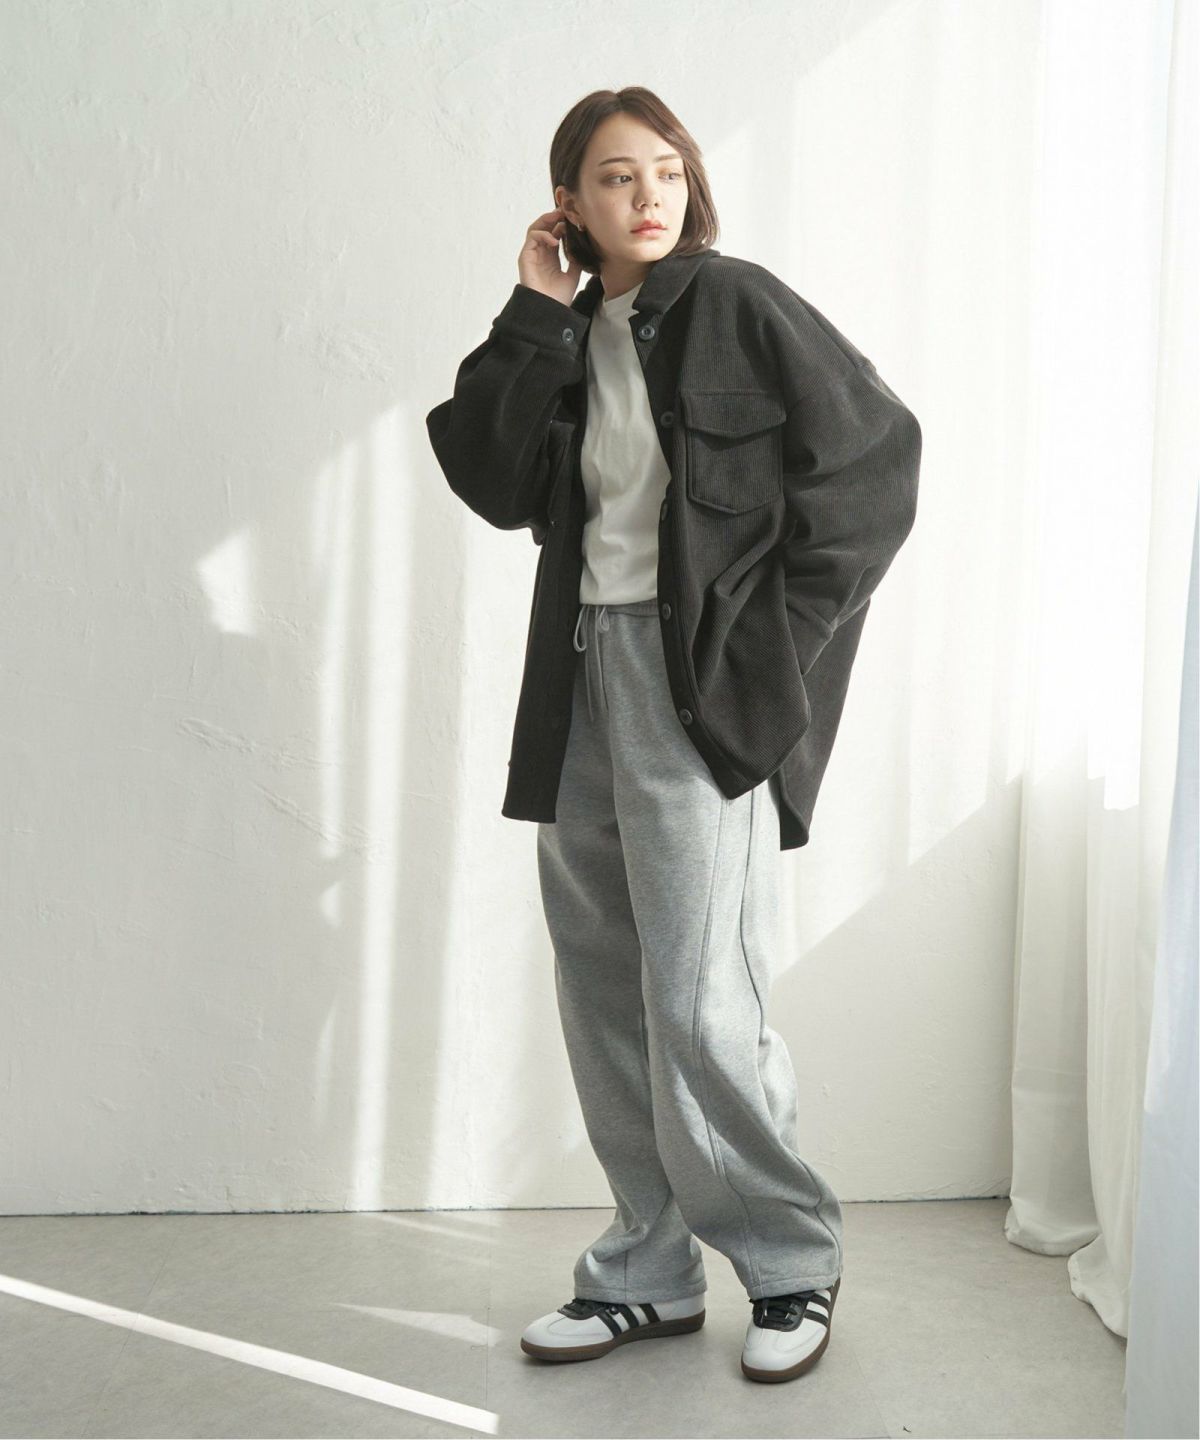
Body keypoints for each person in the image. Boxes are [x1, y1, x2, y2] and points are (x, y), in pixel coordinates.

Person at [425, 86, 921, 1384]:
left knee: (701, 997)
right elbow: (487, 477)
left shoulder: (738, 303)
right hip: (579, 675)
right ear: (569, 205)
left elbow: (876, 461)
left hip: (694, 685)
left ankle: (791, 1263)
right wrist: (534, 310)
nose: (647, 194)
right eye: (613, 176)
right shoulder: (568, 331)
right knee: (602, 985)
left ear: (690, 186)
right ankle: (645, 1271)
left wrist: (773, 645)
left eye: (664, 170)